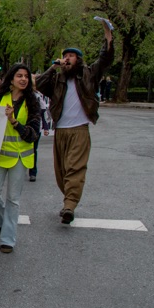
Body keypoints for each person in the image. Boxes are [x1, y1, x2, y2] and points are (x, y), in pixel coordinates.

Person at [35, 19, 114, 225]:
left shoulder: (89, 74)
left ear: (78, 60)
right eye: (65, 56)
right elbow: (39, 84)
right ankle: (69, 198)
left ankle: (69, 205)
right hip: (60, 131)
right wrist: (53, 67)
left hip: (79, 130)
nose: (67, 59)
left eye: (71, 56)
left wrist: (108, 38)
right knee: (61, 172)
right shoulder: (57, 80)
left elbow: (104, 60)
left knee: (74, 168)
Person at [0, 64, 40, 253]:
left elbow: (33, 134)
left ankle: (7, 239)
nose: (23, 79)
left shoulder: (32, 101)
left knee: (13, 199)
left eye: (26, 76)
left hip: (20, 157)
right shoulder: (0, 96)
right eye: (19, 75)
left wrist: (14, 122)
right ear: (11, 79)